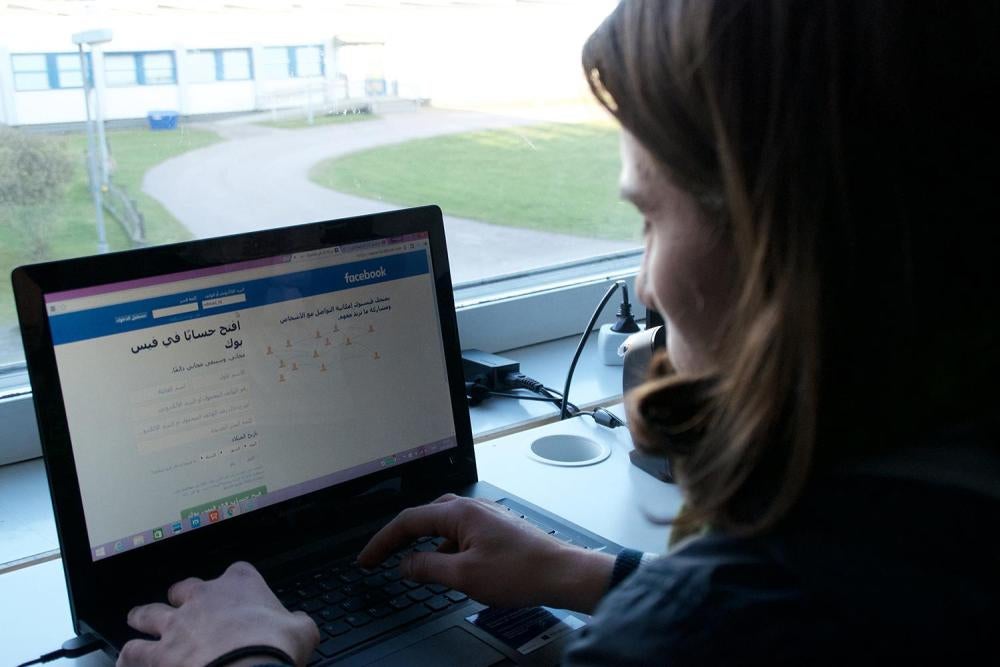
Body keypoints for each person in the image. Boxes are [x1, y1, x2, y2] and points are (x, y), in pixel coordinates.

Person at [118, 1, 1000, 665]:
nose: (647, 281)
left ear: (792, 240)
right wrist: (587, 575)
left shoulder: (706, 632)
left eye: (651, 217)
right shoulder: (938, 499)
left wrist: (244, 655)